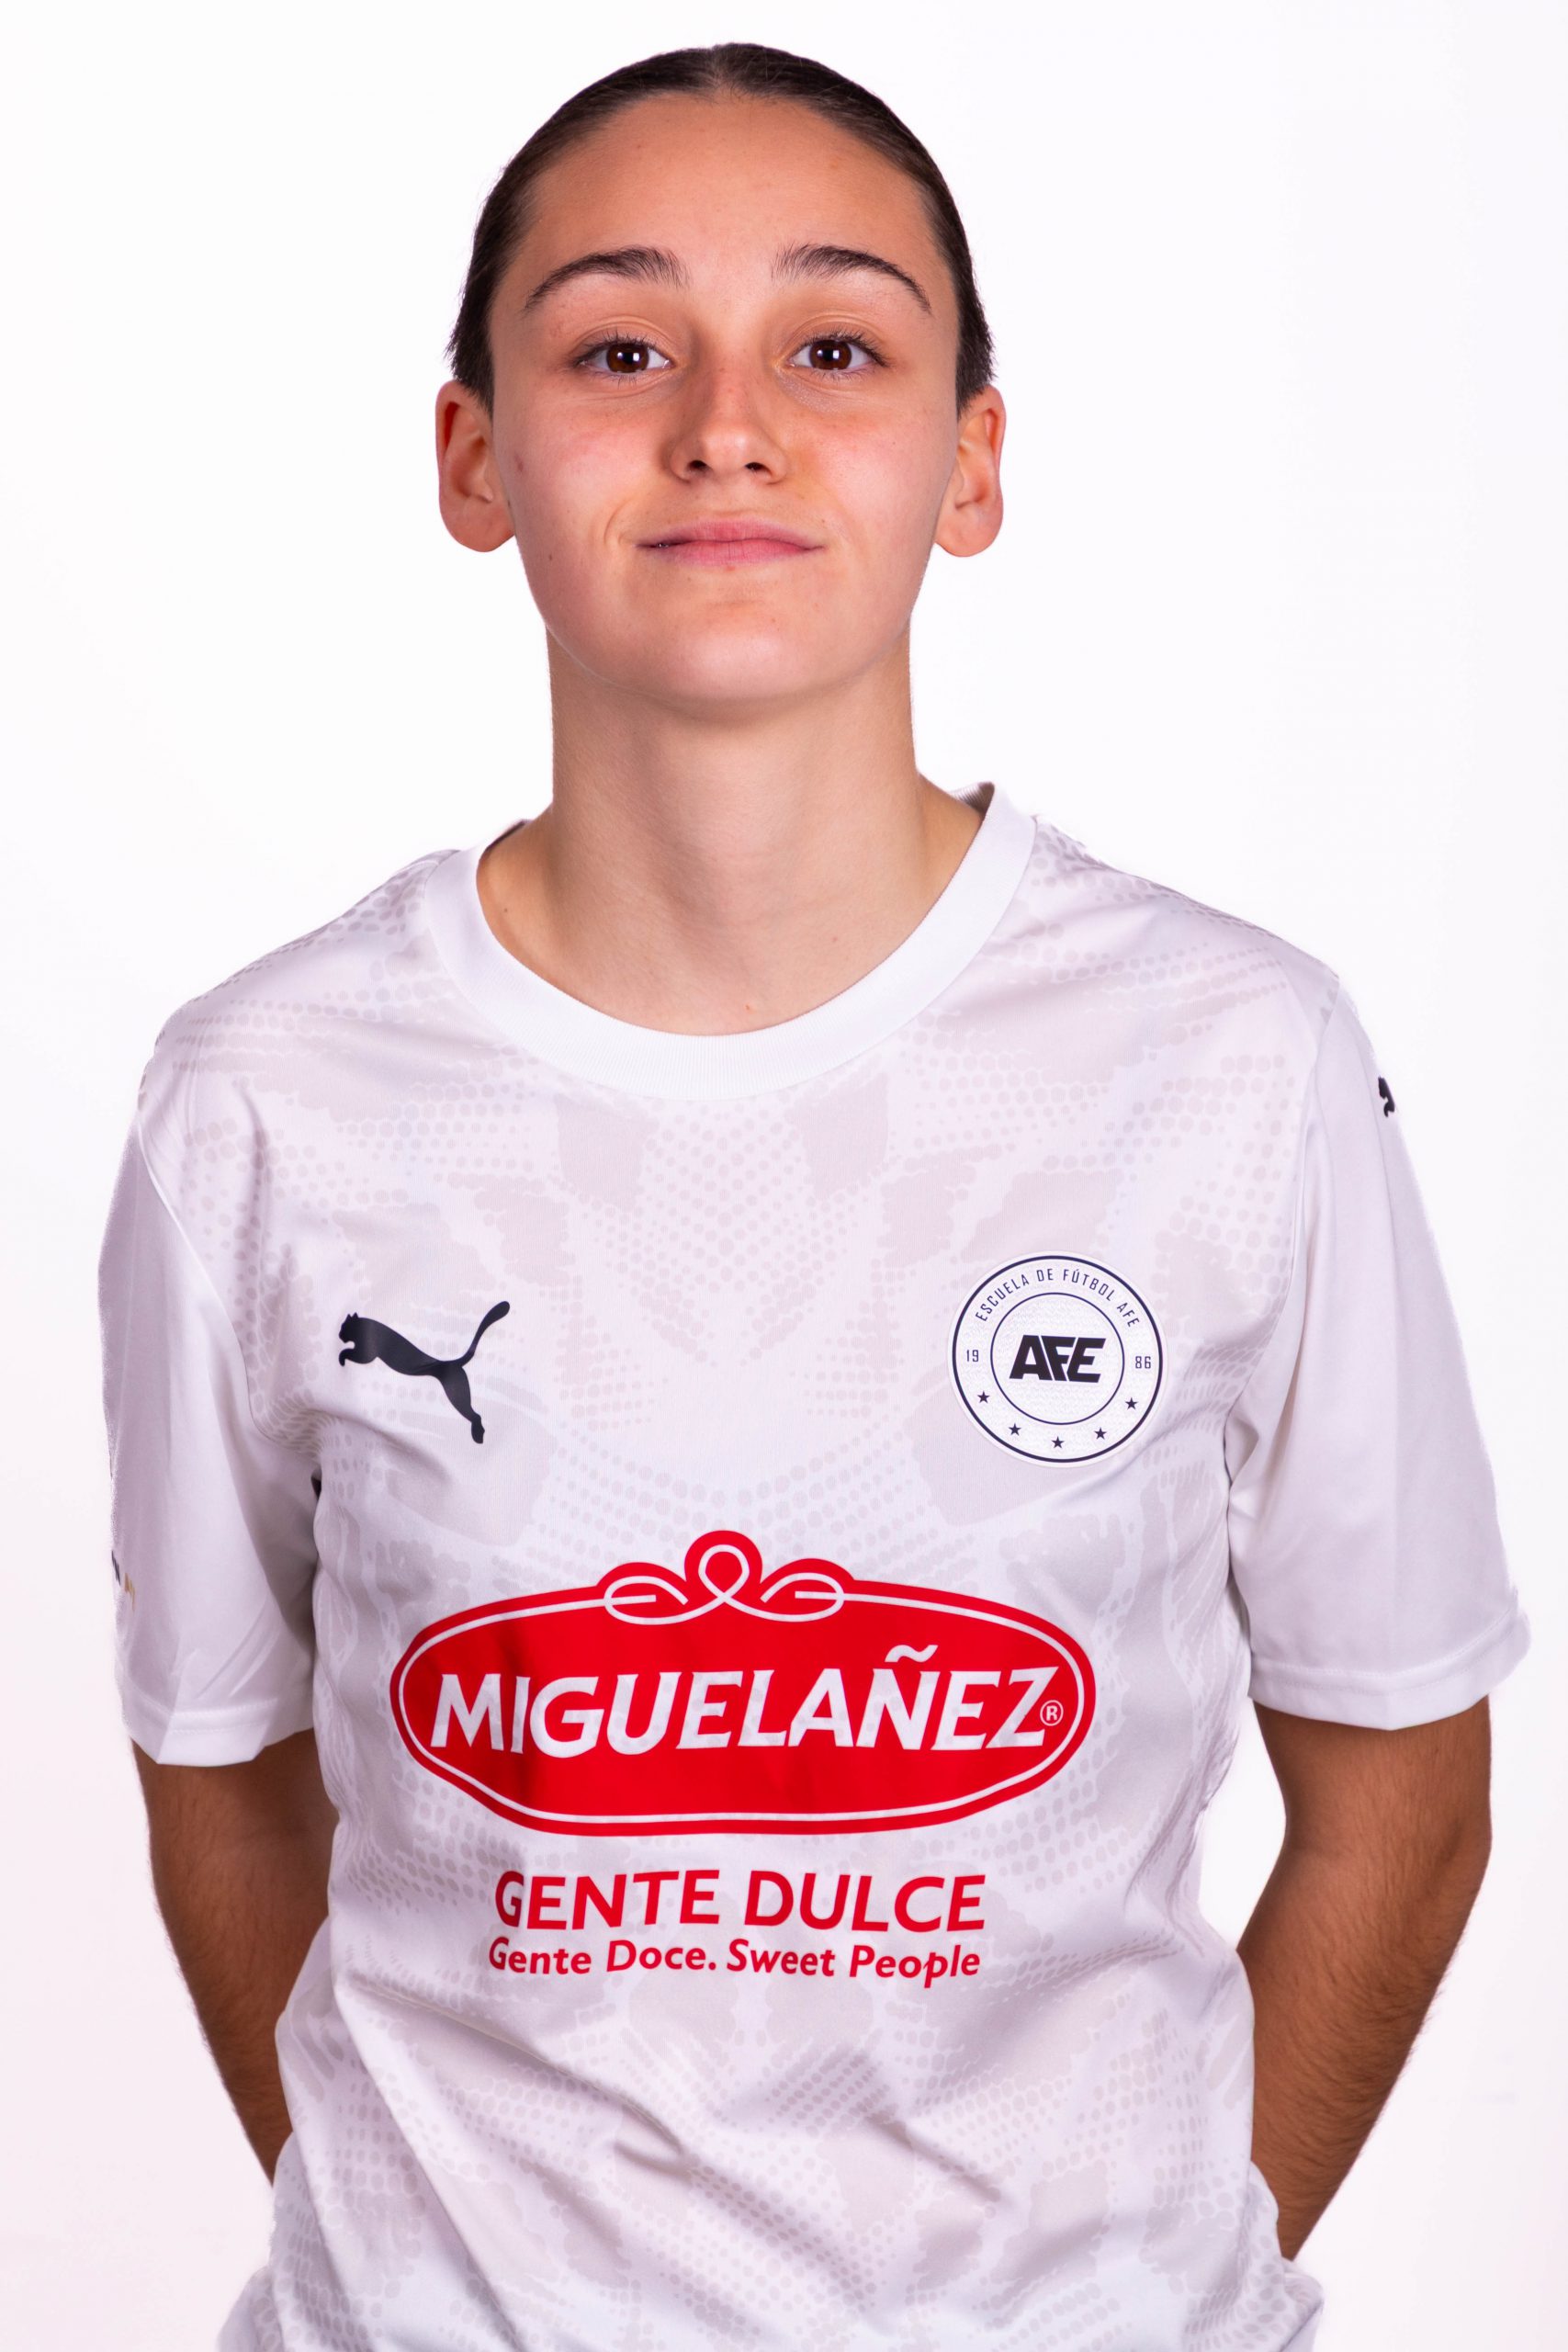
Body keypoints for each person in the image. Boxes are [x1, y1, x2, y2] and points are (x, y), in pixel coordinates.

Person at [97, 40, 1531, 2352]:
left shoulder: (1230, 1059)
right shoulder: (264, 1100)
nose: (726, 426)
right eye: (617, 348)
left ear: (971, 462)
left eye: (835, 348)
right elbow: (225, 1772)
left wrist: (1139, 2285)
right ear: (471, 454)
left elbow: (1402, 1787)